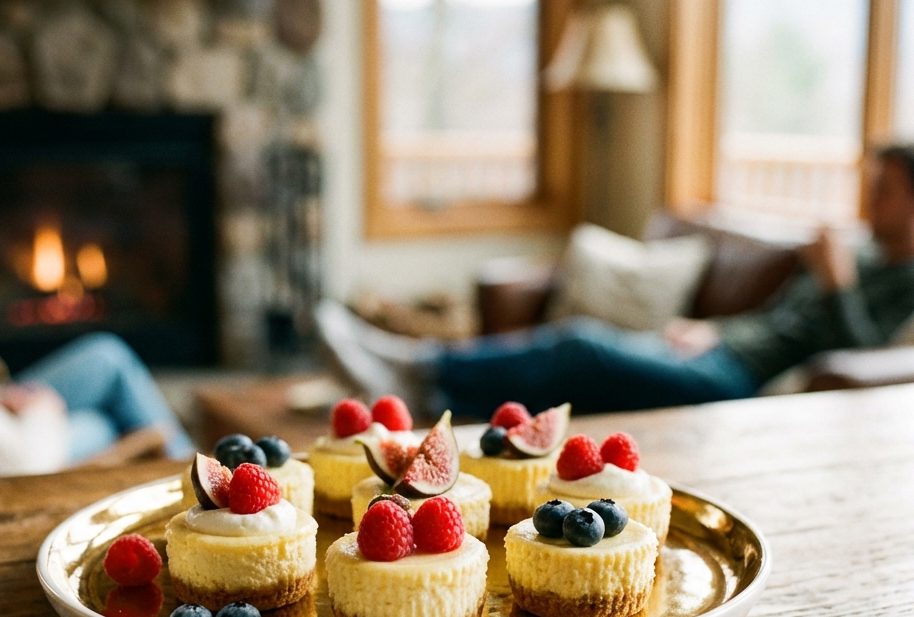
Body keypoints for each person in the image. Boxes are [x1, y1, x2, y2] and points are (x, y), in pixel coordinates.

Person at [317, 144, 914, 419]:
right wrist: (708, 327)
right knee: (576, 366)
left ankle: (421, 372)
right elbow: (777, 320)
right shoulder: (859, 253)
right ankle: (421, 381)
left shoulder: (900, 278)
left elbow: (860, 358)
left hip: (737, 384)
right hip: (718, 351)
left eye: (882, 189)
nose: (867, 198)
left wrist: (835, 282)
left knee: (581, 347)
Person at [0, 180, 195, 476]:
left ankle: (198, 476)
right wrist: (42, 408)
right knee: (104, 421)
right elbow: (17, 466)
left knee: (107, 356)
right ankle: (200, 486)